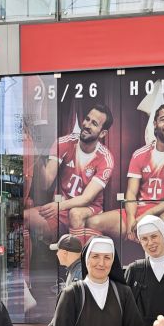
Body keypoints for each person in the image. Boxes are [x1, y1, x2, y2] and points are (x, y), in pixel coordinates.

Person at [87, 104, 164, 240]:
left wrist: (147, 215)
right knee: (93, 223)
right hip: (139, 210)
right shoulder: (140, 154)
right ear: (155, 124)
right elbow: (131, 193)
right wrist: (131, 222)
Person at [25, 103, 115, 242]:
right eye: (87, 119)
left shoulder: (105, 158)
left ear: (103, 133)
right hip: (61, 210)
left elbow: (86, 198)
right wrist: (35, 154)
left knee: (75, 214)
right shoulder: (64, 143)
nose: (87, 125)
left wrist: (59, 206)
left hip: (87, 210)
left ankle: (77, 254)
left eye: (94, 123)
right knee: (25, 218)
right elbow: (46, 182)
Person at [124, 215, 164, 326]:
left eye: (154, 236)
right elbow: (125, 311)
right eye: (144, 239)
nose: (150, 243)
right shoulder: (134, 270)